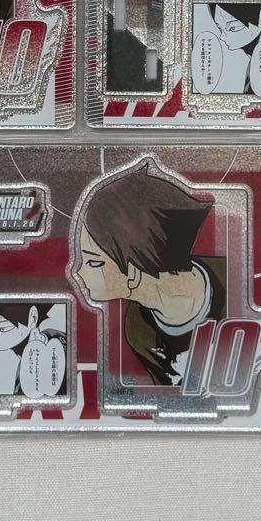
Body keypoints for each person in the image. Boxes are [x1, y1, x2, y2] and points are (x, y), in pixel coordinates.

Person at [73, 162, 225, 387]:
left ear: (134, 270)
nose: (77, 272)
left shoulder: (232, 282)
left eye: (93, 261)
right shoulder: (137, 329)